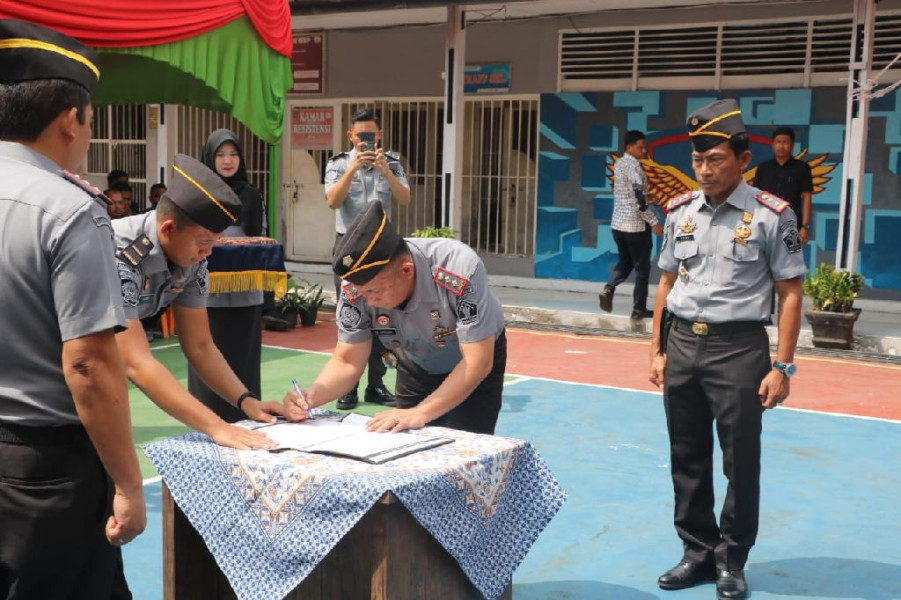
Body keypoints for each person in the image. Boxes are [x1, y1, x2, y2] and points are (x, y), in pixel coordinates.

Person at [0, 19, 146, 598]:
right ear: (71, 117)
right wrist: (130, 485)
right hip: (46, 469)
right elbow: (88, 363)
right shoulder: (70, 209)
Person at [648, 99, 806, 600]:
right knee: (686, 455)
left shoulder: (771, 215)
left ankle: (731, 559)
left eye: (715, 159)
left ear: (742, 158)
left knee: (740, 459)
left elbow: (790, 292)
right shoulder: (680, 211)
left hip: (740, 350)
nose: (704, 169)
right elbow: (665, 282)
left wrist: (782, 365)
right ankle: (696, 552)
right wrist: (655, 349)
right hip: (682, 344)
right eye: (698, 160)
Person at [283, 201, 506, 435]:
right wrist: (310, 396)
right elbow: (347, 361)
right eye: (363, 293)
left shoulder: (458, 268)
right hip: (416, 361)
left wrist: (420, 413)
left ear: (407, 270)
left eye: (375, 291)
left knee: (467, 446)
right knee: (407, 443)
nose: (368, 302)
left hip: (471, 362)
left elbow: (476, 361)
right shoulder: (356, 287)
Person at [324, 108, 411, 410]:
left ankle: (376, 385)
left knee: (382, 318)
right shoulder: (337, 164)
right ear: (350, 136)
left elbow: (405, 198)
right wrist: (352, 169)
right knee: (350, 317)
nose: (364, 141)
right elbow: (332, 200)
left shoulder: (393, 162)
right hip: (348, 248)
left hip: (383, 249)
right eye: (359, 135)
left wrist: (386, 171)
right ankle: (347, 387)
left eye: (370, 135)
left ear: (380, 135)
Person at [187, 129, 268, 422]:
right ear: (210, 157)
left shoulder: (251, 192)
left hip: (245, 289)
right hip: (206, 287)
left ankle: (246, 415)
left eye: (233, 154)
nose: (227, 160)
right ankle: (207, 416)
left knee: (243, 354)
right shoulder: (198, 191)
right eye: (220, 154)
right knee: (207, 346)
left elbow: (261, 235)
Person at [599, 130, 664, 320]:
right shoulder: (634, 168)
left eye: (644, 147)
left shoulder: (619, 164)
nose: (643, 151)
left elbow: (628, 195)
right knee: (642, 268)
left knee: (626, 261)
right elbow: (638, 201)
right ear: (629, 147)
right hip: (635, 226)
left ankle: (609, 287)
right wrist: (654, 222)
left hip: (618, 224)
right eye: (640, 147)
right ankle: (639, 309)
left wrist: (648, 197)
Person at [752, 127, 813, 246]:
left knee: (792, 259)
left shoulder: (802, 168)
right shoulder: (763, 168)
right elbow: (755, 196)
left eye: (785, 142)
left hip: (792, 224)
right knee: (764, 260)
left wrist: (805, 226)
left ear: (792, 145)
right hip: (766, 223)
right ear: (772, 144)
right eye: (778, 142)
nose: (781, 146)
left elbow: (807, 197)